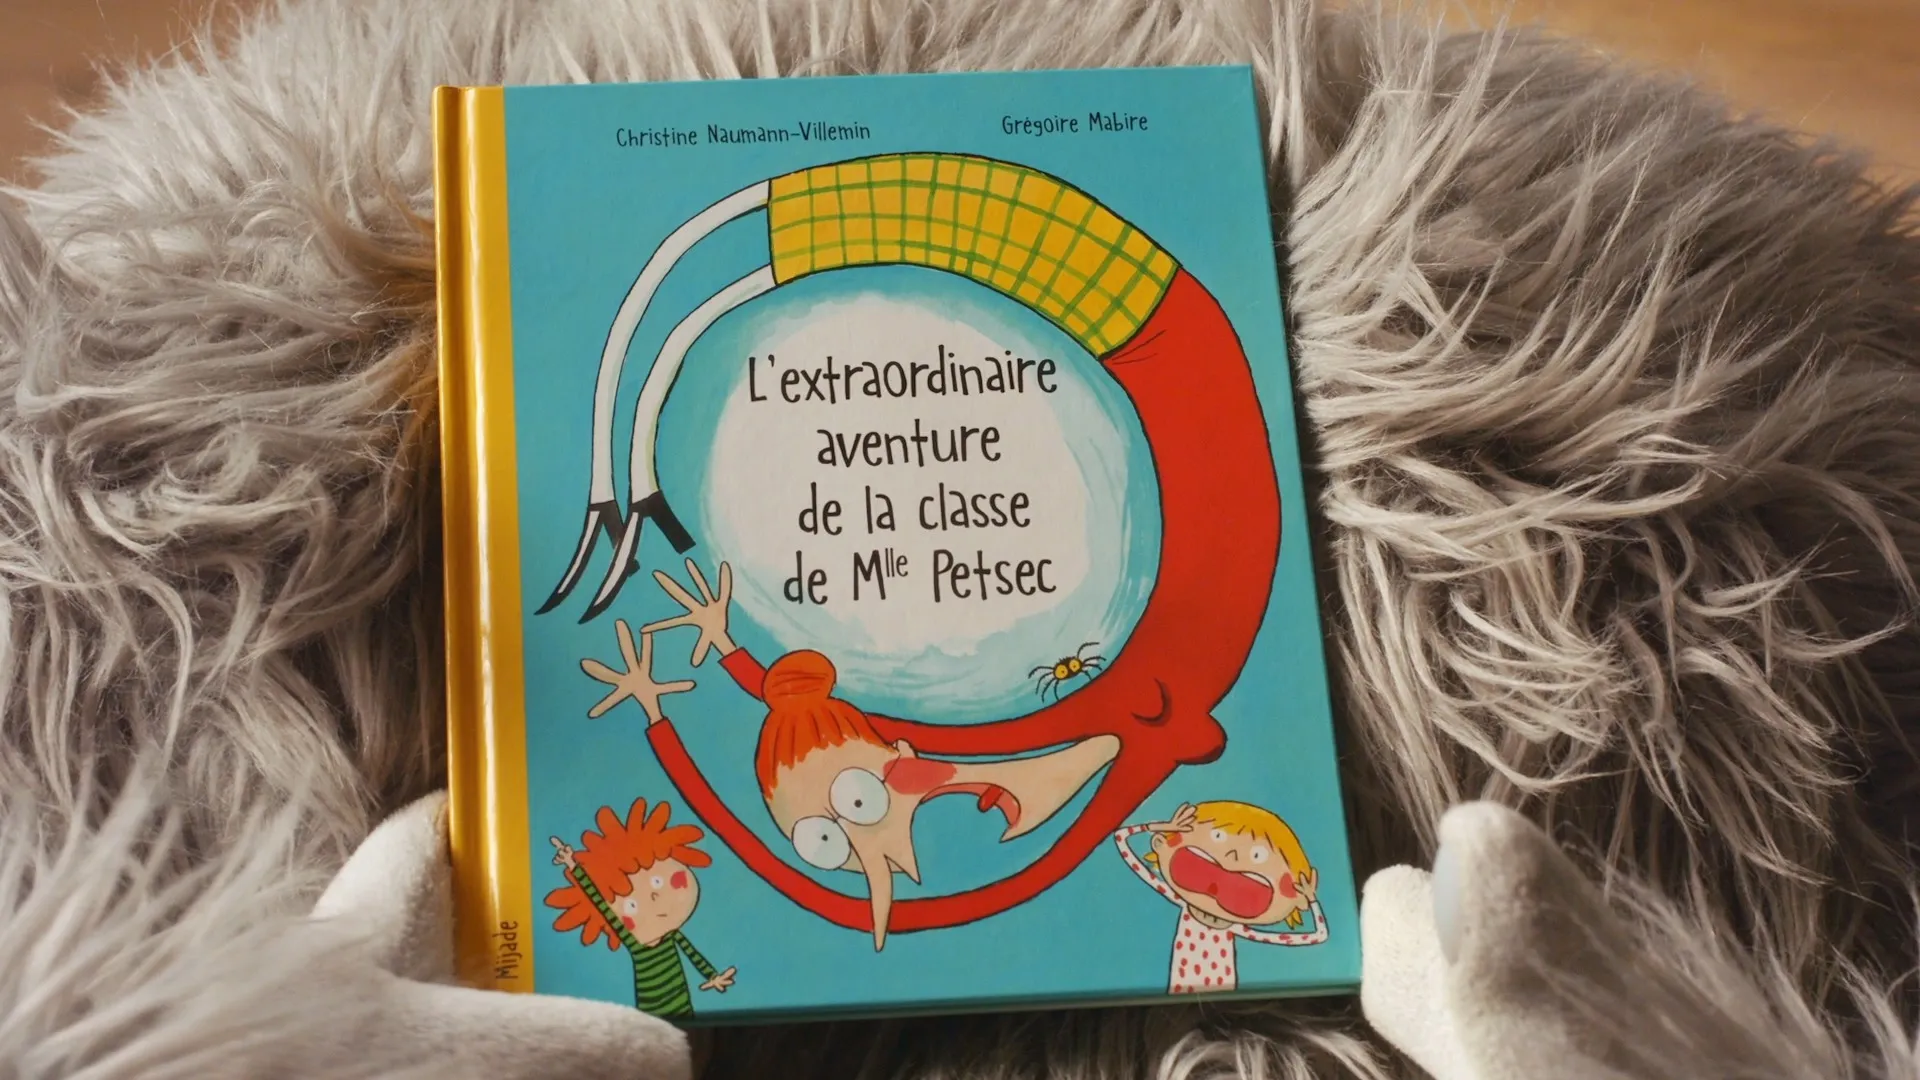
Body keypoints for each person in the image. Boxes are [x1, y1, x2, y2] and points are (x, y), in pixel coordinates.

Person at [544, 798, 736, 1018]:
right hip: (651, 1014)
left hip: (683, 1008)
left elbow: (694, 957)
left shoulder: (673, 935)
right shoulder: (634, 943)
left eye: (657, 881)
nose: (654, 897)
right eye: (631, 905)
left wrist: (712, 976)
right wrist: (572, 864)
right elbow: (599, 901)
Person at [1112, 801, 1327, 994]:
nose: (1232, 856)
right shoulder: (1178, 898)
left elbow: (1318, 936)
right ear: (1161, 843)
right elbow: (1121, 838)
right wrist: (1163, 826)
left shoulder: (1240, 929)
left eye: (1257, 855)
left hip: (1223, 1004)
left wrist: (1311, 900)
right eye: (1218, 836)